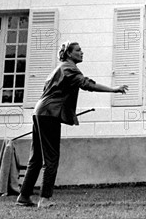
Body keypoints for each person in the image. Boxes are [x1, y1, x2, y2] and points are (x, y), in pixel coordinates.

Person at [16, 42, 128, 208]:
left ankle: (24, 196)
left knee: (37, 158)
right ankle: (44, 199)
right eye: (78, 50)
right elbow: (87, 84)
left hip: (40, 111)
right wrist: (114, 89)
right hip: (50, 113)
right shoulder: (69, 68)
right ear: (69, 53)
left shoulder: (60, 68)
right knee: (51, 158)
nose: (82, 52)